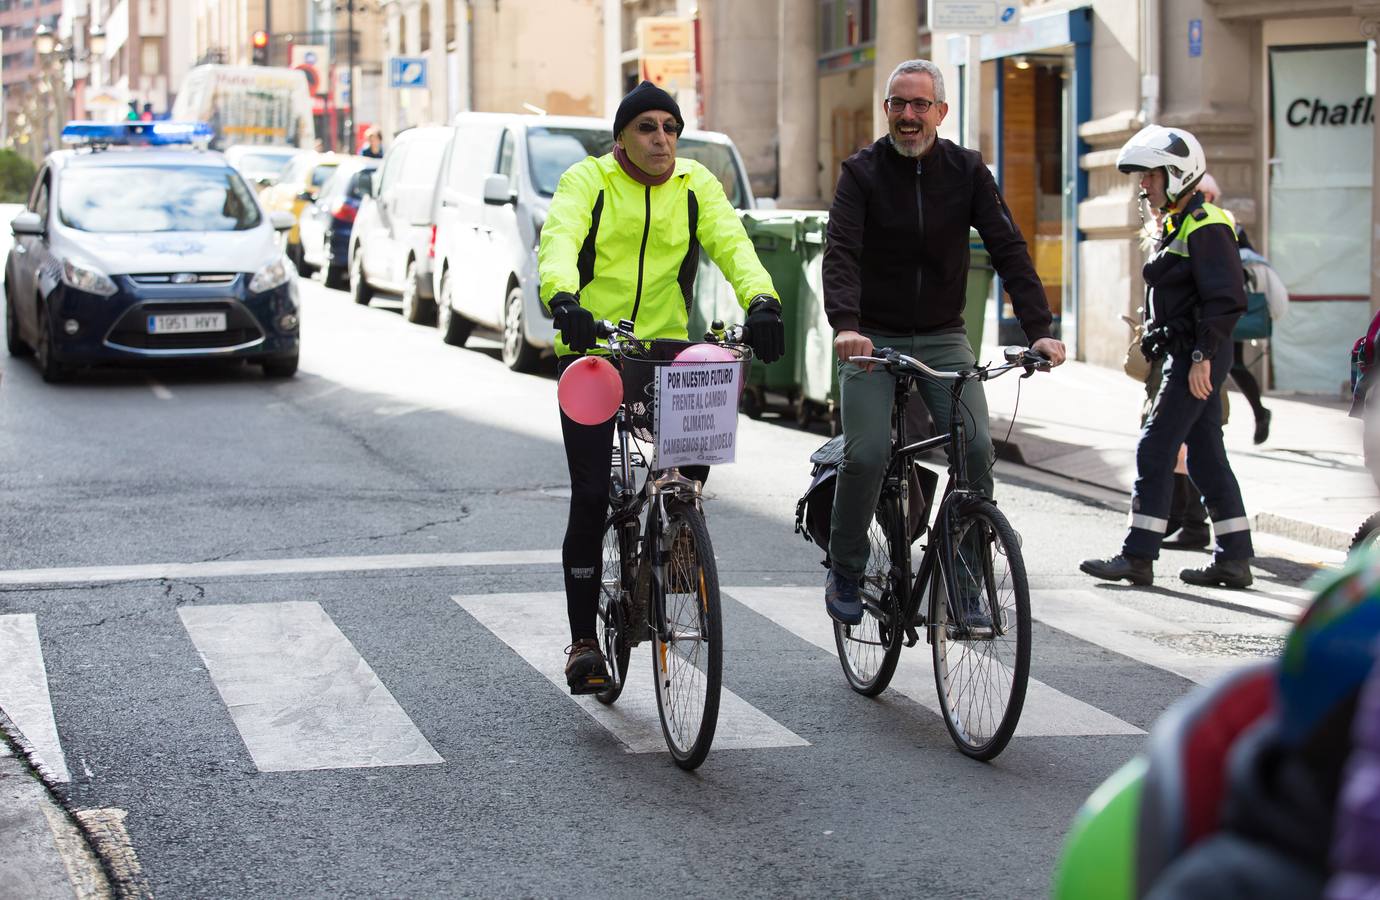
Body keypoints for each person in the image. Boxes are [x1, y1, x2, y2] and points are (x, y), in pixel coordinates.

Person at [536, 80, 785, 693]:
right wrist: (563, 298)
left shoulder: (695, 184)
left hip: (665, 348)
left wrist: (764, 301)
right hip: (597, 350)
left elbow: (733, 245)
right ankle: (584, 643)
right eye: (647, 127)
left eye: (670, 128)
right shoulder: (586, 180)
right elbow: (560, 240)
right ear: (621, 136)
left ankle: (676, 534)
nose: (661, 139)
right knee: (594, 494)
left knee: (710, 391)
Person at [821, 58, 1066, 626]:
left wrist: (1041, 331)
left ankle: (964, 580)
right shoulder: (861, 172)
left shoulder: (967, 170)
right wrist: (847, 326)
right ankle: (848, 566)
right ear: (886, 111)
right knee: (868, 452)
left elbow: (1008, 249)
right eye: (898, 105)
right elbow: (842, 254)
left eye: (920, 105)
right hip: (872, 340)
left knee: (976, 450)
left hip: (942, 336)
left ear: (941, 112)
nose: (909, 116)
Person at [1081, 125, 1254, 589]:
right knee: (1204, 457)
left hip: (1196, 355)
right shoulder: (1179, 223)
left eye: (1150, 176)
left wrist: (1202, 356)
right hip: (1187, 352)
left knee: (1155, 448)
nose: (1144, 184)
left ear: (1177, 174)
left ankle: (1138, 556)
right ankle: (1235, 559)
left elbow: (1225, 299)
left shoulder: (1208, 224)